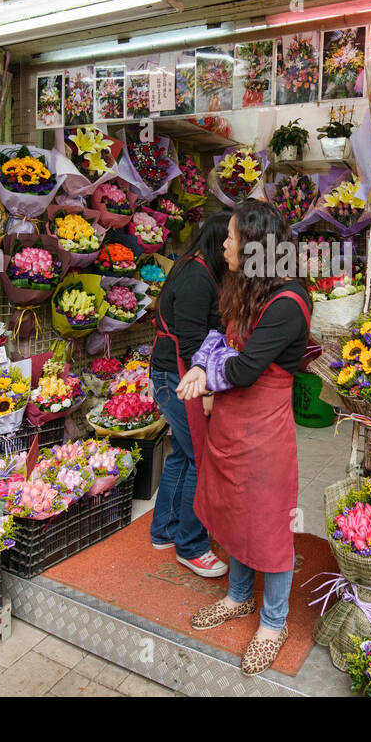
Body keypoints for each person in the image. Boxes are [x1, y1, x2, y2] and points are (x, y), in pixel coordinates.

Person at [177, 199, 312, 676]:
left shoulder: (288, 302)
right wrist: (201, 363)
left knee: (269, 524)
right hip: (231, 425)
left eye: (232, 237)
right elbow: (221, 338)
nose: (226, 244)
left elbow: (248, 367)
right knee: (235, 514)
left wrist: (205, 371)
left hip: (264, 433)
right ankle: (237, 597)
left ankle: (273, 623)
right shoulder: (246, 288)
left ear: (256, 246)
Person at [149, 212, 231, 577]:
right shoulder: (198, 278)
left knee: (181, 455)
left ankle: (164, 530)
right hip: (176, 376)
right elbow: (193, 344)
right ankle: (191, 546)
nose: (232, 246)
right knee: (200, 457)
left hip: (172, 373)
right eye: (229, 239)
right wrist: (207, 389)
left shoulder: (195, 267)